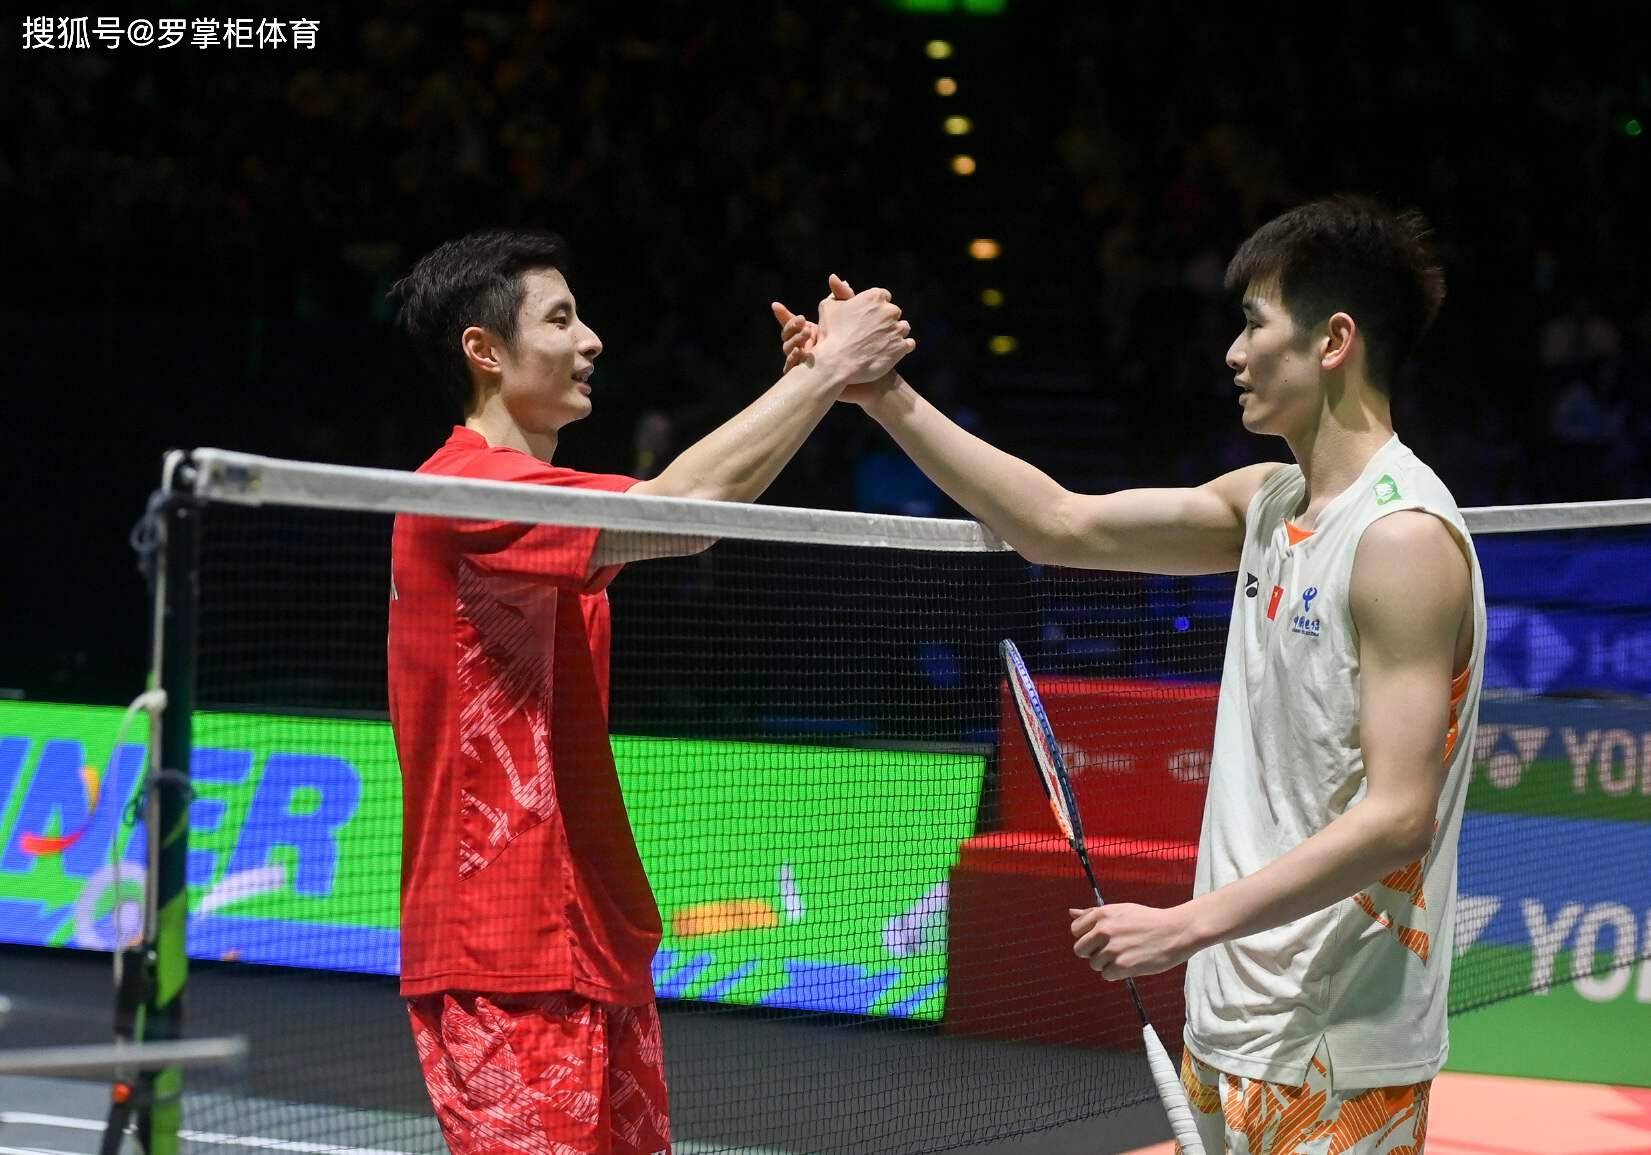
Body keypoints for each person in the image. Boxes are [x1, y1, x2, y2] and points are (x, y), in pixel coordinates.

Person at [777, 197, 1481, 1154]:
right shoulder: (1268, 504)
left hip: (1336, 1046)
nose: (1233, 352)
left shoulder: (1400, 538)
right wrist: (882, 395)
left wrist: (1183, 925)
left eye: (1254, 323)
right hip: (1230, 1014)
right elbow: (1055, 523)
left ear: (1333, 341)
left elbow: (1398, 815)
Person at [386, 228, 913, 1155]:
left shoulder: (539, 498)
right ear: (484, 350)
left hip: (594, 937)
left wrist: (814, 388)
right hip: (504, 948)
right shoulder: (465, 488)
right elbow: (682, 512)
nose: (591, 339)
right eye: (560, 319)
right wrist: (822, 375)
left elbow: (692, 505)